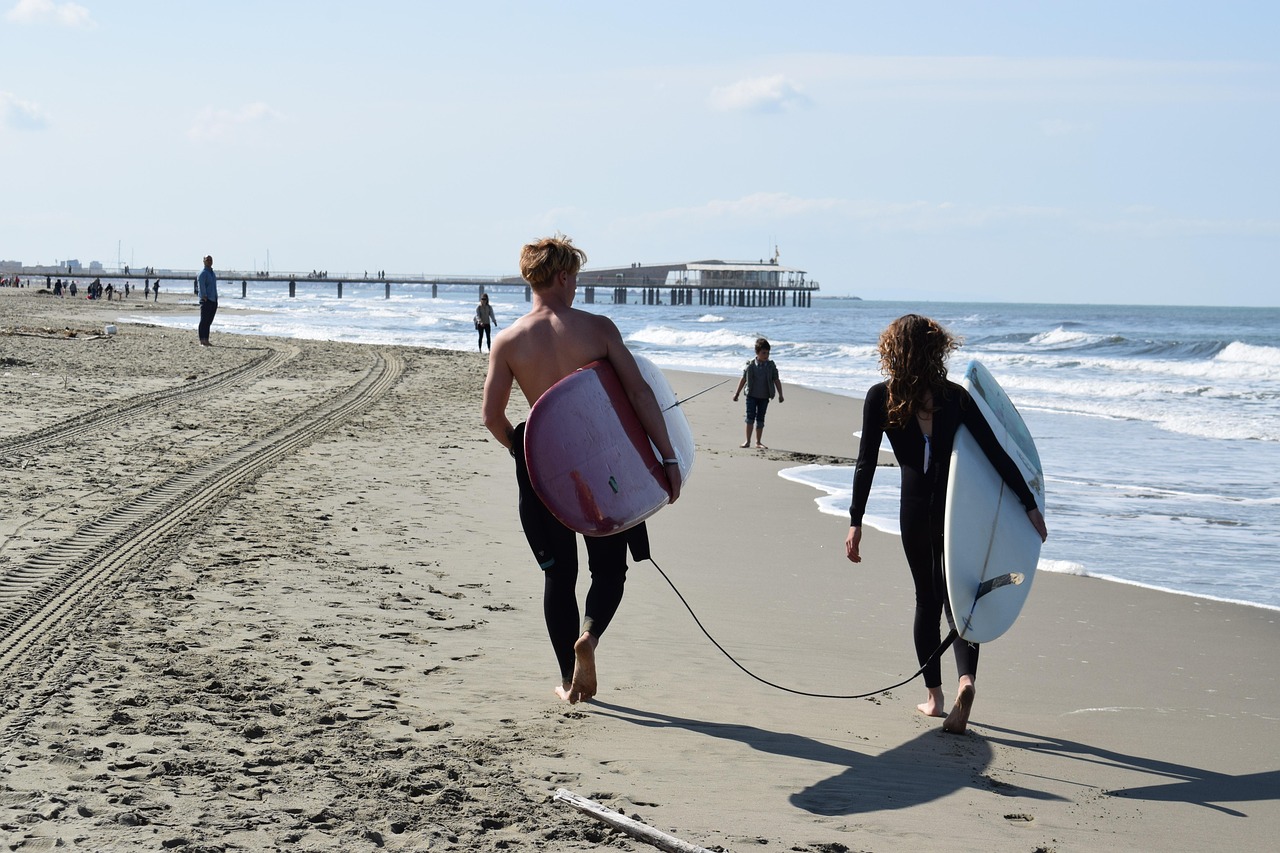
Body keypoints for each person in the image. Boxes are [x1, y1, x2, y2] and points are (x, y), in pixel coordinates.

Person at [482, 235, 682, 705]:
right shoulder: (597, 329)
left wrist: (525, 451)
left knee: (558, 576)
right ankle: (589, 638)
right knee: (609, 569)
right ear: (564, 276)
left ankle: (570, 680)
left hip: (544, 473)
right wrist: (667, 459)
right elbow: (638, 394)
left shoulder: (510, 341)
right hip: (601, 467)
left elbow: (492, 417)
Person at [845, 314, 1047, 735]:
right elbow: (995, 453)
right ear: (937, 349)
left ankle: (934, 698)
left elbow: (865, 463)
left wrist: (856, 521)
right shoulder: (954, 397)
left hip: (914, 508)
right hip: (956, 510)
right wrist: (1028, 504)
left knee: (927, 599)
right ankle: (966, 681)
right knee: (962, 597)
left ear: (893, 351)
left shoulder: (879, 396)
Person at [732, 337, 784, 449]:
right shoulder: (750, 365)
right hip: (751, 396)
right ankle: (747, 441)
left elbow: (776, 380)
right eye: (764, 353)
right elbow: (743, 379)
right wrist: (736, 393)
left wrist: (780, 394)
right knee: (750, 418)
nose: (766, 355)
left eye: (768, 353)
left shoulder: (770, 366)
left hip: (764, 397)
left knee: (760, 419)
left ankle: (758, 442)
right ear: (757, 352)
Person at [197, 255, 218, 346]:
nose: (209, 261)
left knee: (209, 321)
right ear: (204, 261)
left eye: (210, 260)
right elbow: (201, 286)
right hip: (206, 300)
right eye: (207, 260)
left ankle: (206, 339)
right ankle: (202, 340)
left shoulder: (212, 273)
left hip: (213, 299)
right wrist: (204, 296)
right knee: (204, 321)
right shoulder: (203, 273)